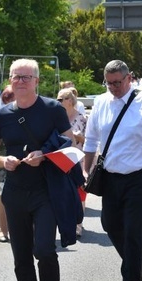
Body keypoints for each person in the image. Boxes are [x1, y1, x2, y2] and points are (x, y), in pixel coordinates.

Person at [0, 59, 75, 281]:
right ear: (10, 81)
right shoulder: (1, 115)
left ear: (36, 81)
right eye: (15, 77)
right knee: (21, 257)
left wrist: (43, 155)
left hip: (45, 191)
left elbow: (68, 140)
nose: (20, 81)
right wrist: (2, 161)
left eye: (25, 77)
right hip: (15, 193)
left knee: (44, 250)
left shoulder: (52, 109)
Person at [82, 60, 142, 281]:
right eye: (109, 82)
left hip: (139, 174)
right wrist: (86, 168)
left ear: (130, 78)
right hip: (111, 174)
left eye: (118, 82)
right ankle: (136, 260)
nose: (114, 87)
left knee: (133, 229)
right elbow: (92, 138)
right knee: (110, 224)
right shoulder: (101, 103)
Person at [57, 87, 88, 238]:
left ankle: (78, 225)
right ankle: (66, 223)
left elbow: (89, 140)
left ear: (69, 101)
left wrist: (77, 137)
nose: (58, 102)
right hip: (61, 160)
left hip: (78, 160)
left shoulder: (81, 118)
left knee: (79, 191)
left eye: (60, 99)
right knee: (63, 192)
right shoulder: (56, 118)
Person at [0, 85, 14, 243]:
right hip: (3, 162)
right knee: (3, 196)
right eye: (6, 99)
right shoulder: (1, 116)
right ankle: (3, 229)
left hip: (22, 161)